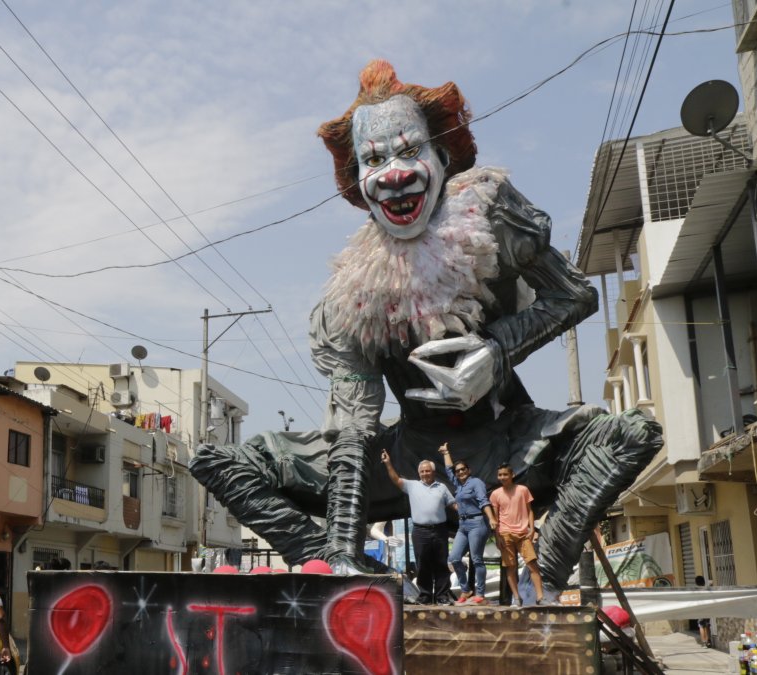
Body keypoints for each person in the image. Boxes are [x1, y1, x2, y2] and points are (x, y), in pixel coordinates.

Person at [188, 59, 662, 594]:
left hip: (509, 441)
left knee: (630, 435)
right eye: (374, 159)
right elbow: (353, 428)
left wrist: (497, 350)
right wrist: (342, 550)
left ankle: (539, 579)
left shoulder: (491, 217)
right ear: (358, 181)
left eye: (409, 150)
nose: (394, 174)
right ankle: (336, 569)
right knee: (221, 461)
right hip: (409, 455)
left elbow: (572, 293)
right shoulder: (351, 294)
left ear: (441, 155)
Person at [381, 450, 456, 604]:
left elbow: (454, 504)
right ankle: (426, 596)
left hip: (440, 529)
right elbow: (395, 479)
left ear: (433, 472)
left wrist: (469, 513)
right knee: (423, 564)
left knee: (441, 563)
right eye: (422, 471)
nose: (424, 474)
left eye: (427, 471)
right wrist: (388, 463)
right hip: (420, 531)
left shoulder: (442, 487)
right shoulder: (412, 485)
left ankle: (442, 596)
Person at [440, 443, 495, 604]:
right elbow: (449, 471)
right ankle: (466, 590)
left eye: (463, 469)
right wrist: (446, 452)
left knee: (476, 559)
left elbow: (484, 501)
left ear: (468, 470)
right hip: (463, 525)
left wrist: (491, 518)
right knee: (454, 558)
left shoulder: (476, 483)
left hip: (478, 522)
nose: (460, 472)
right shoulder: (459, 485)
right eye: (458, 471)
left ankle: (481, 593)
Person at [490, 464, 544, 605]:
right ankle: (516, 597)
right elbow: (495, 519)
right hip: (505, 533)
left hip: (523, 533)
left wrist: (532, 529)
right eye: (500, 475)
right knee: (511, 567)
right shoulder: (495, 494)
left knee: (532, 564)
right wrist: (497, 537)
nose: (502, 477)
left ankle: (540, 597)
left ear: (512, 475)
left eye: (505, 474)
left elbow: (530, 510)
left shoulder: (522, 490)